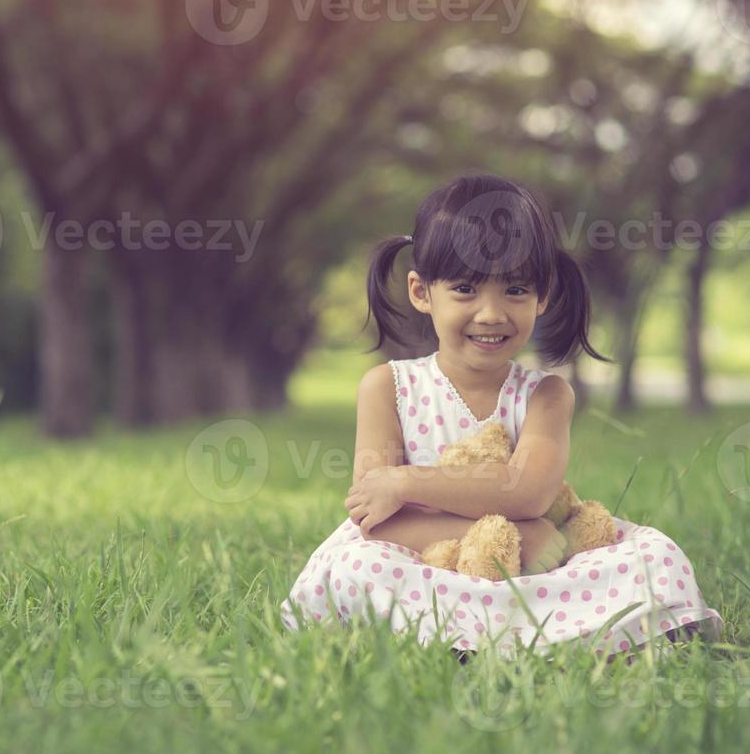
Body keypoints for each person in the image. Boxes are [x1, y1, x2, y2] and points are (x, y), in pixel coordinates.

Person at [279, 173, 722, 658]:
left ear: (543, 295)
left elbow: (530, 492)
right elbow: (376, 520)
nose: (491, 314)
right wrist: (502, 532)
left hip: (532, 560)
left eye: (515, 290)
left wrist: (406, 483)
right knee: (360, 569)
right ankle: (535, 637)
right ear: (421, 292)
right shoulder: (389, 388)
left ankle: (472, 638)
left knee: (655, 556)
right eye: (466, 289)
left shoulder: (546, 395)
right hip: (423, 561)